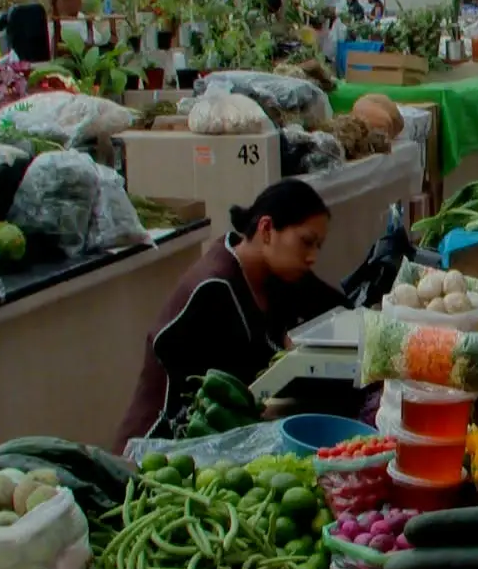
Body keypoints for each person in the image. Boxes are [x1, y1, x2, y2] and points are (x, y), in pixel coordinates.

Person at [114, 180, 348, 449]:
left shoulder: (277, 275)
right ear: (267, 229)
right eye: (306, 242)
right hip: (161, 446)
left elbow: (336, 306)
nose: (312, 257)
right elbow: (204, 400)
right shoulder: (212, 290)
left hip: (221, 438)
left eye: (318, 246)